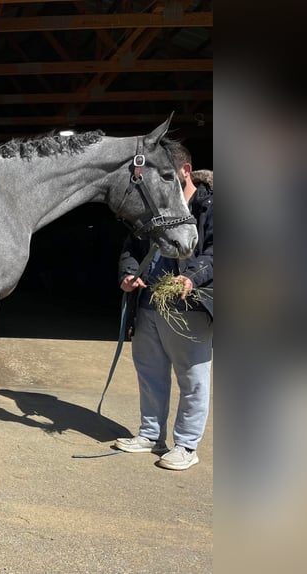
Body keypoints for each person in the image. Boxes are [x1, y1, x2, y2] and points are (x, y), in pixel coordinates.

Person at [113, 141, 213, 470]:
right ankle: (151, 434)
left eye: (165, 173)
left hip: (190, 306)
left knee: (193, 378)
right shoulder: (156, 205)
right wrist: (129, 275)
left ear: (184, 170)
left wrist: (192, 278)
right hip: (149, 305)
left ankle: (185, 445)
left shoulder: (210, 205)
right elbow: (133, 244)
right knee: (150, 373)